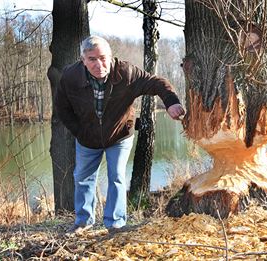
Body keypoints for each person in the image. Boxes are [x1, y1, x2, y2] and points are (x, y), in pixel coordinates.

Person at [56, 35, 185, 235]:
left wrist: (171, 102)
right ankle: (83, 222)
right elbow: (62, 109)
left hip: (119, 135)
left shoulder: (126, 73)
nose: (99, 63)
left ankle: (115, 224)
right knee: (82, 178)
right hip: (87, 138)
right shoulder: (70, 77)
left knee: (116, 176)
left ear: (110, 55)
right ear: (83, 60)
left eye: (103, 57)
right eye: (92, 59)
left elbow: (157, 82)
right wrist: (79, 131)